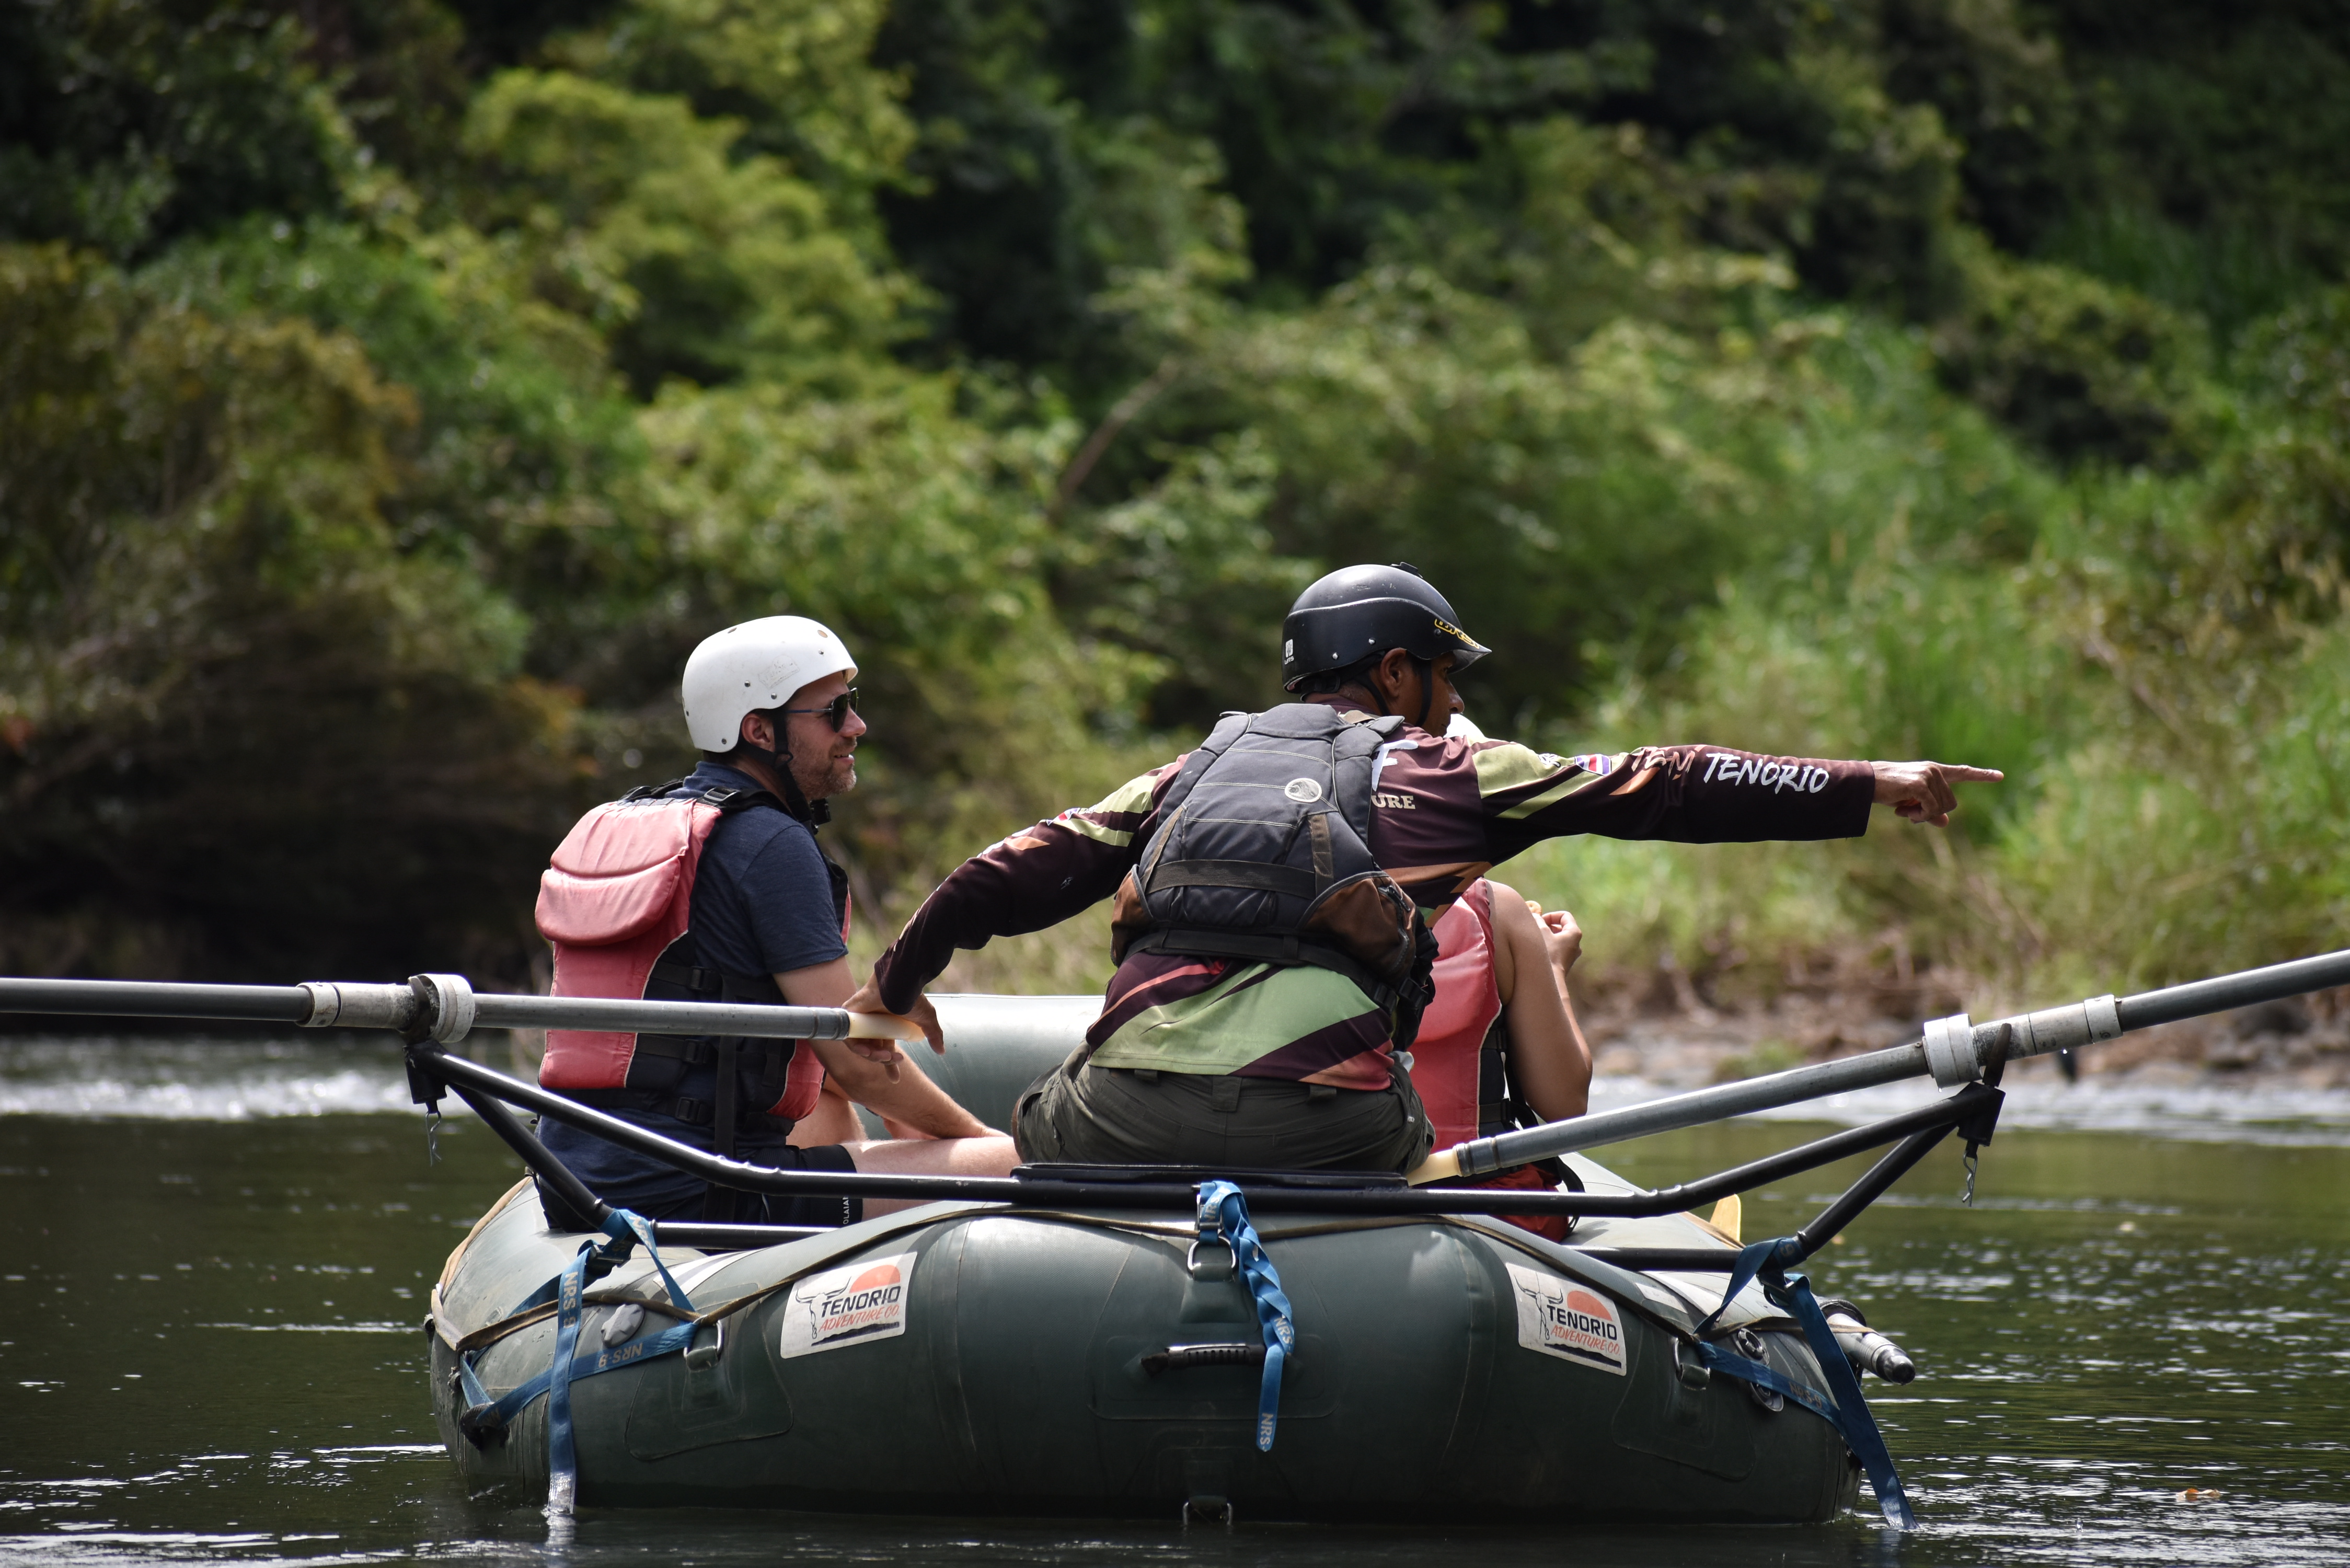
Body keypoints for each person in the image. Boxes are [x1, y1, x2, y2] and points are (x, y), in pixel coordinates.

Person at [847, 562, 2000, 1175]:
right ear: (1396, 674)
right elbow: (1665, 782)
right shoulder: (1457, 772)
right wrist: (1868, 780)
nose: (1456, 699)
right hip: (1337, 1139)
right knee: (1402, 1130)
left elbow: (995, 876)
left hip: (1116, 1128)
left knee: (1039, 1124)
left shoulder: (1180, 776)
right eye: (1445, 676)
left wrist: (889, 993)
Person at [533, 615, 1017, 1228]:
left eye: (853, 705)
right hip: (694, 1188)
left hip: (577, 1176)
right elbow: (858, 1062)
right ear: (759, 730)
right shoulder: (768, 843)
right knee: (1016, 1164)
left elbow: (842, 1067)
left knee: (829, 1098)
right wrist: (976, 1150)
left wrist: (920, 1134)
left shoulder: (643, 819)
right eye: (833, 711)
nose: (856, 727)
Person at [1409, 866, 1591, 1241]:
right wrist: (1552, 965)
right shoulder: (1497, 909)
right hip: (1485, 1205)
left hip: (1327, 1194)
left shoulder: (1285, 903)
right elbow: (1565, 1104)